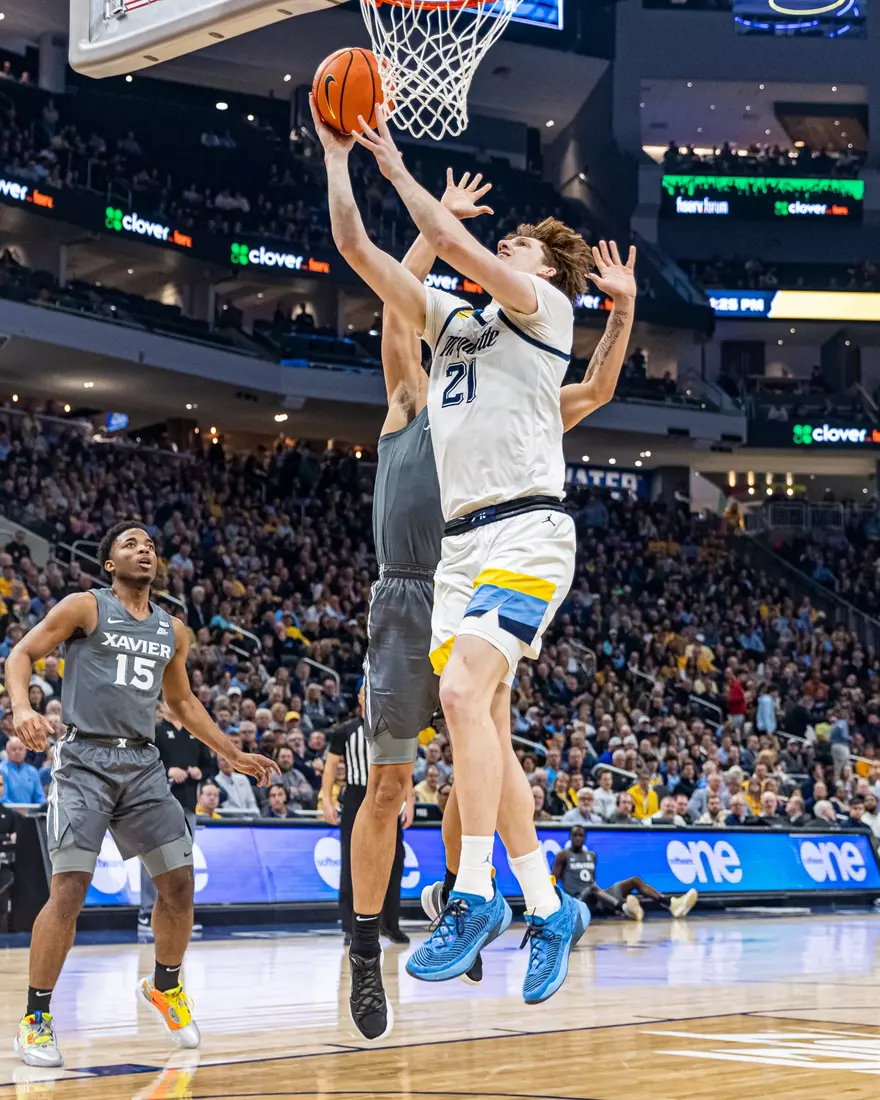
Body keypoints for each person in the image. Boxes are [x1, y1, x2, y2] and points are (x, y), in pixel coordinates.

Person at [313, 103, 637, 1034]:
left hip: (528, 533)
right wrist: (340, 159)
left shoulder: (546, 312)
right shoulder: (453, 324)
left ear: (545, 273)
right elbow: (361, 252)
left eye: (523, 244)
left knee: (461, 702)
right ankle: (549, 907)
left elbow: (449, 238)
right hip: (455, 550)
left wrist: (396, 162)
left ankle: (475, 893)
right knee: (480, 722)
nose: (510, 245)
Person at [8, 522, 278, 1068]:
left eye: (150, 545)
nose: (144, 550)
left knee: (178, 885)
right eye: (130, 544)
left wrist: (230, 752)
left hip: (142, 763)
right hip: (84, 760)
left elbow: (182, 704)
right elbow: (21, 655)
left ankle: (165, 986)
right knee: (69, 891)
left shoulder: (173, 630)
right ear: (109, 563)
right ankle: (35, 1019)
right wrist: (22, 709)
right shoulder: (84, 607)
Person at [322, 685, 413, 957]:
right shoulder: (345, 731)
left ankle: (390, 923)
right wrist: (326, 798)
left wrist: (409, 800)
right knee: (352, 860)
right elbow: (330, 767)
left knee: (395, 860)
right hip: (356, 796)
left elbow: (404, 767)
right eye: (366, 693)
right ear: (361, 698)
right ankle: (352, 925)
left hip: (390, 797)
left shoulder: (394, 728)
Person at [138, 701, 214, 935]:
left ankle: (181, 914)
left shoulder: (194, 732)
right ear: (162, 705)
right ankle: (145, 912)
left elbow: (210, 765)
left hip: (188, 806)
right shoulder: (156, 732)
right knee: (153, 858)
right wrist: (169, 769)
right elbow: (144, 761)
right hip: (158, 804)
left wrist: (201, 772)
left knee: (183, 862)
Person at [552, 826, 698, 922]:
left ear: (585, 838)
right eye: (575, 835)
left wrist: (602, 899)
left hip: (596, 895)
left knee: (634, 880)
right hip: (578, 900)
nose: (578, 838)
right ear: (570, 837)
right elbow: (553, 881)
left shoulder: (592, 855)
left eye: (581, 835)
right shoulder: (563, 856)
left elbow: (592, 879)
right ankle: (624, 908)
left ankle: (671, 903)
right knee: (593, 888)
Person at [0, 737, 44, 805]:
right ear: (7, 752)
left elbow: (40, 797)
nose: (17, 752)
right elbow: (2, 798)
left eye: (20, 749)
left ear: (25, 751)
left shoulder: (33, 771)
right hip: (6, 812)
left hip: (31, 813)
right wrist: (18, 811)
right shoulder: (1, 770)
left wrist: (41, 807)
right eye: (13, 749)